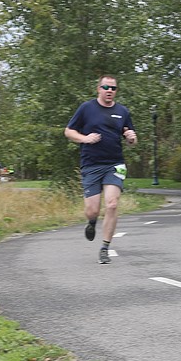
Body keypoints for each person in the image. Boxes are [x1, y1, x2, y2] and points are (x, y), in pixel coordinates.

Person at [64, 75, 138, 264]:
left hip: (114, 164)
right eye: (106, 87)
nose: (109, 90)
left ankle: (105, 247)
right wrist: (84, 138)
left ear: (116, 91)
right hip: (91, 164)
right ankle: (91, 223)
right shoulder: (86, 108)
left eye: (113, 88)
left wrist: (131, 138)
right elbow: (69, 131)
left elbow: (131, 140)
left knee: (112, 204)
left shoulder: (122, 111)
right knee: (92, 210)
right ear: (98, 88)